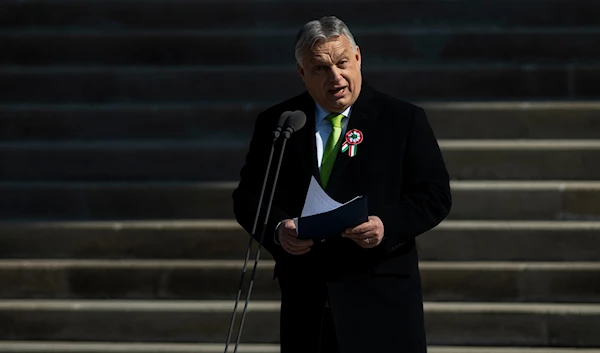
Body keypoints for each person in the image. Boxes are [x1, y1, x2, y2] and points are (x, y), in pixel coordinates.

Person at [232, 15, 452, 353]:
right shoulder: (281, 123)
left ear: (358, 58)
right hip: (308, 303)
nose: (335, 77)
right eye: (320, 68)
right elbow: (249, 197)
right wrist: (278, 229)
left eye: (342, 62)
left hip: (381, 297)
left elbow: (434, 194)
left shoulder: (402, 120)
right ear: (302, 73)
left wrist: (386, 225)